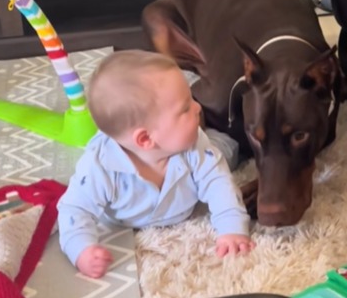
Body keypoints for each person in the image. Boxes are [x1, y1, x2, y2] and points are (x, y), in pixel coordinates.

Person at [58, 50, 254, 278]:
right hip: (121, 220)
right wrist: (81, 249)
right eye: (185, 108)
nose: (198, 107)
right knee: (214, 146)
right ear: (146, 139)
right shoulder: (99, 166)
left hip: (199, 145)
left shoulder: (195, 146)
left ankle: (221, 139)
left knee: (226, 152)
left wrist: (232, 227)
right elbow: (73, 210)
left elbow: (219, 184)